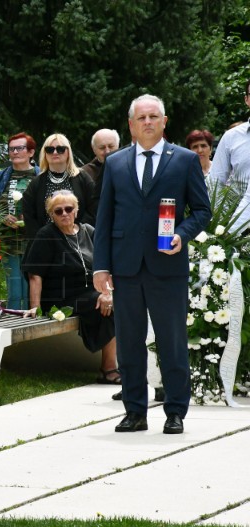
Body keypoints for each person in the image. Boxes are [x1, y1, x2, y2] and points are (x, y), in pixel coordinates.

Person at [94, 94, 211, 434]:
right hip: (126, 268)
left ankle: (175, 411)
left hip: (167, 266)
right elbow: (104, 218)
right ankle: (135, 411)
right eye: (141, 117)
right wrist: (101, 267)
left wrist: (182, 234)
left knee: (171, 342)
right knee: (129, 343)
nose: (147, 121)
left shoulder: (185, 160)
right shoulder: (115, 163)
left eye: (153, 116)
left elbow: (202, 211)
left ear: (164, 121)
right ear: (131, 124)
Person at [22, 190, 119, 383]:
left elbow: (107, 265)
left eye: (68, 209)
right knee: (106, 306)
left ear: (76, 210)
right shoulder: (46, 236)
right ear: (51, 215)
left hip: (90, 293)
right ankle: (109, 369)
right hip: (60, 296)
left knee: (114, 302)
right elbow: (35, 275)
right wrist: (35, 307)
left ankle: (115, 364)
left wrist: (108, 293)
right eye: (58, 211)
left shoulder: (89, 231)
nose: (64, 214)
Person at [0, 132, 39, 309]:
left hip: (34, 243)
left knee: (31, 290)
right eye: (11, 149)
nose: (15, 152)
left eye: (20, 148)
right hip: (8, 243)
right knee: (15, 291)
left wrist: (31, 217)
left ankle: (31, 329)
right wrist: (1, 217)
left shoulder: (41, 176)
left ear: (31, 152)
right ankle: (14, 328)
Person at [22, 133, 97, 240]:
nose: (55, 152)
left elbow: (94, 208)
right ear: (45, 154)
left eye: (60, 149)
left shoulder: (82, 178)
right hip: (46, 242)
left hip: (79, 240)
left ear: (68, 152)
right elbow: (29, 215)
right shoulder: (36, 183)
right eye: (50, 149)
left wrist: (75, 230)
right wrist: (42, 238)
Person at [209, 80, 250, 231]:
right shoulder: (231, 137)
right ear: (246, 100)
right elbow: (215, 183)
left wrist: (230, 231)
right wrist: (219, 224)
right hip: (236, 227)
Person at [80, 129, 120, 197]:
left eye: (111, 146)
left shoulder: (129, 167)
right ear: (94, 149)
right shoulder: (84, 174)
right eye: (102, 148)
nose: (107, 151)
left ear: (118, 145)